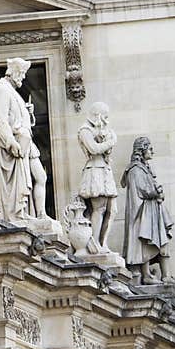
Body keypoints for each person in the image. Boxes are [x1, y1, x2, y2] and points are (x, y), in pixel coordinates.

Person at [0, 58, 49, 222]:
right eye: (22, 73)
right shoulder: (2, 90)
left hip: (26, 142)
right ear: (14, 72)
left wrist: (28, 113)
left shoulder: (12, 92)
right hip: (16, 144)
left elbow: (20, 120)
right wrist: (10, 142)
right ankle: (19, 213)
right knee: (22, 181)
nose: (23, 78)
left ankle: (40, 214)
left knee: (40, 177)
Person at [120, 137, 175, 284]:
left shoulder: (145, 168)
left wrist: (158, 191)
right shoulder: (135, 169)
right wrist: (156, 192)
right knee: (145, 243)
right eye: (150, 148)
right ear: (142, 150)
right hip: (143, 213)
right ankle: (146, 275)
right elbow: (142, 190)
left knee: (162, 242)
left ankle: (166, 275)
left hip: (152, 211)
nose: (153, 151)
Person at [77, 102, 117, 251]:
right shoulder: (85, 130)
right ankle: (95, 243)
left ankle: (103, 242)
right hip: (94, 169)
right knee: (99, 208)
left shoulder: (98, 129)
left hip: (105, 170)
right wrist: (110, 142)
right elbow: (93, 149)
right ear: (98, 114)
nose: (106, 120)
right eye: (105, 116)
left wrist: (107, 138)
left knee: (112, 210)